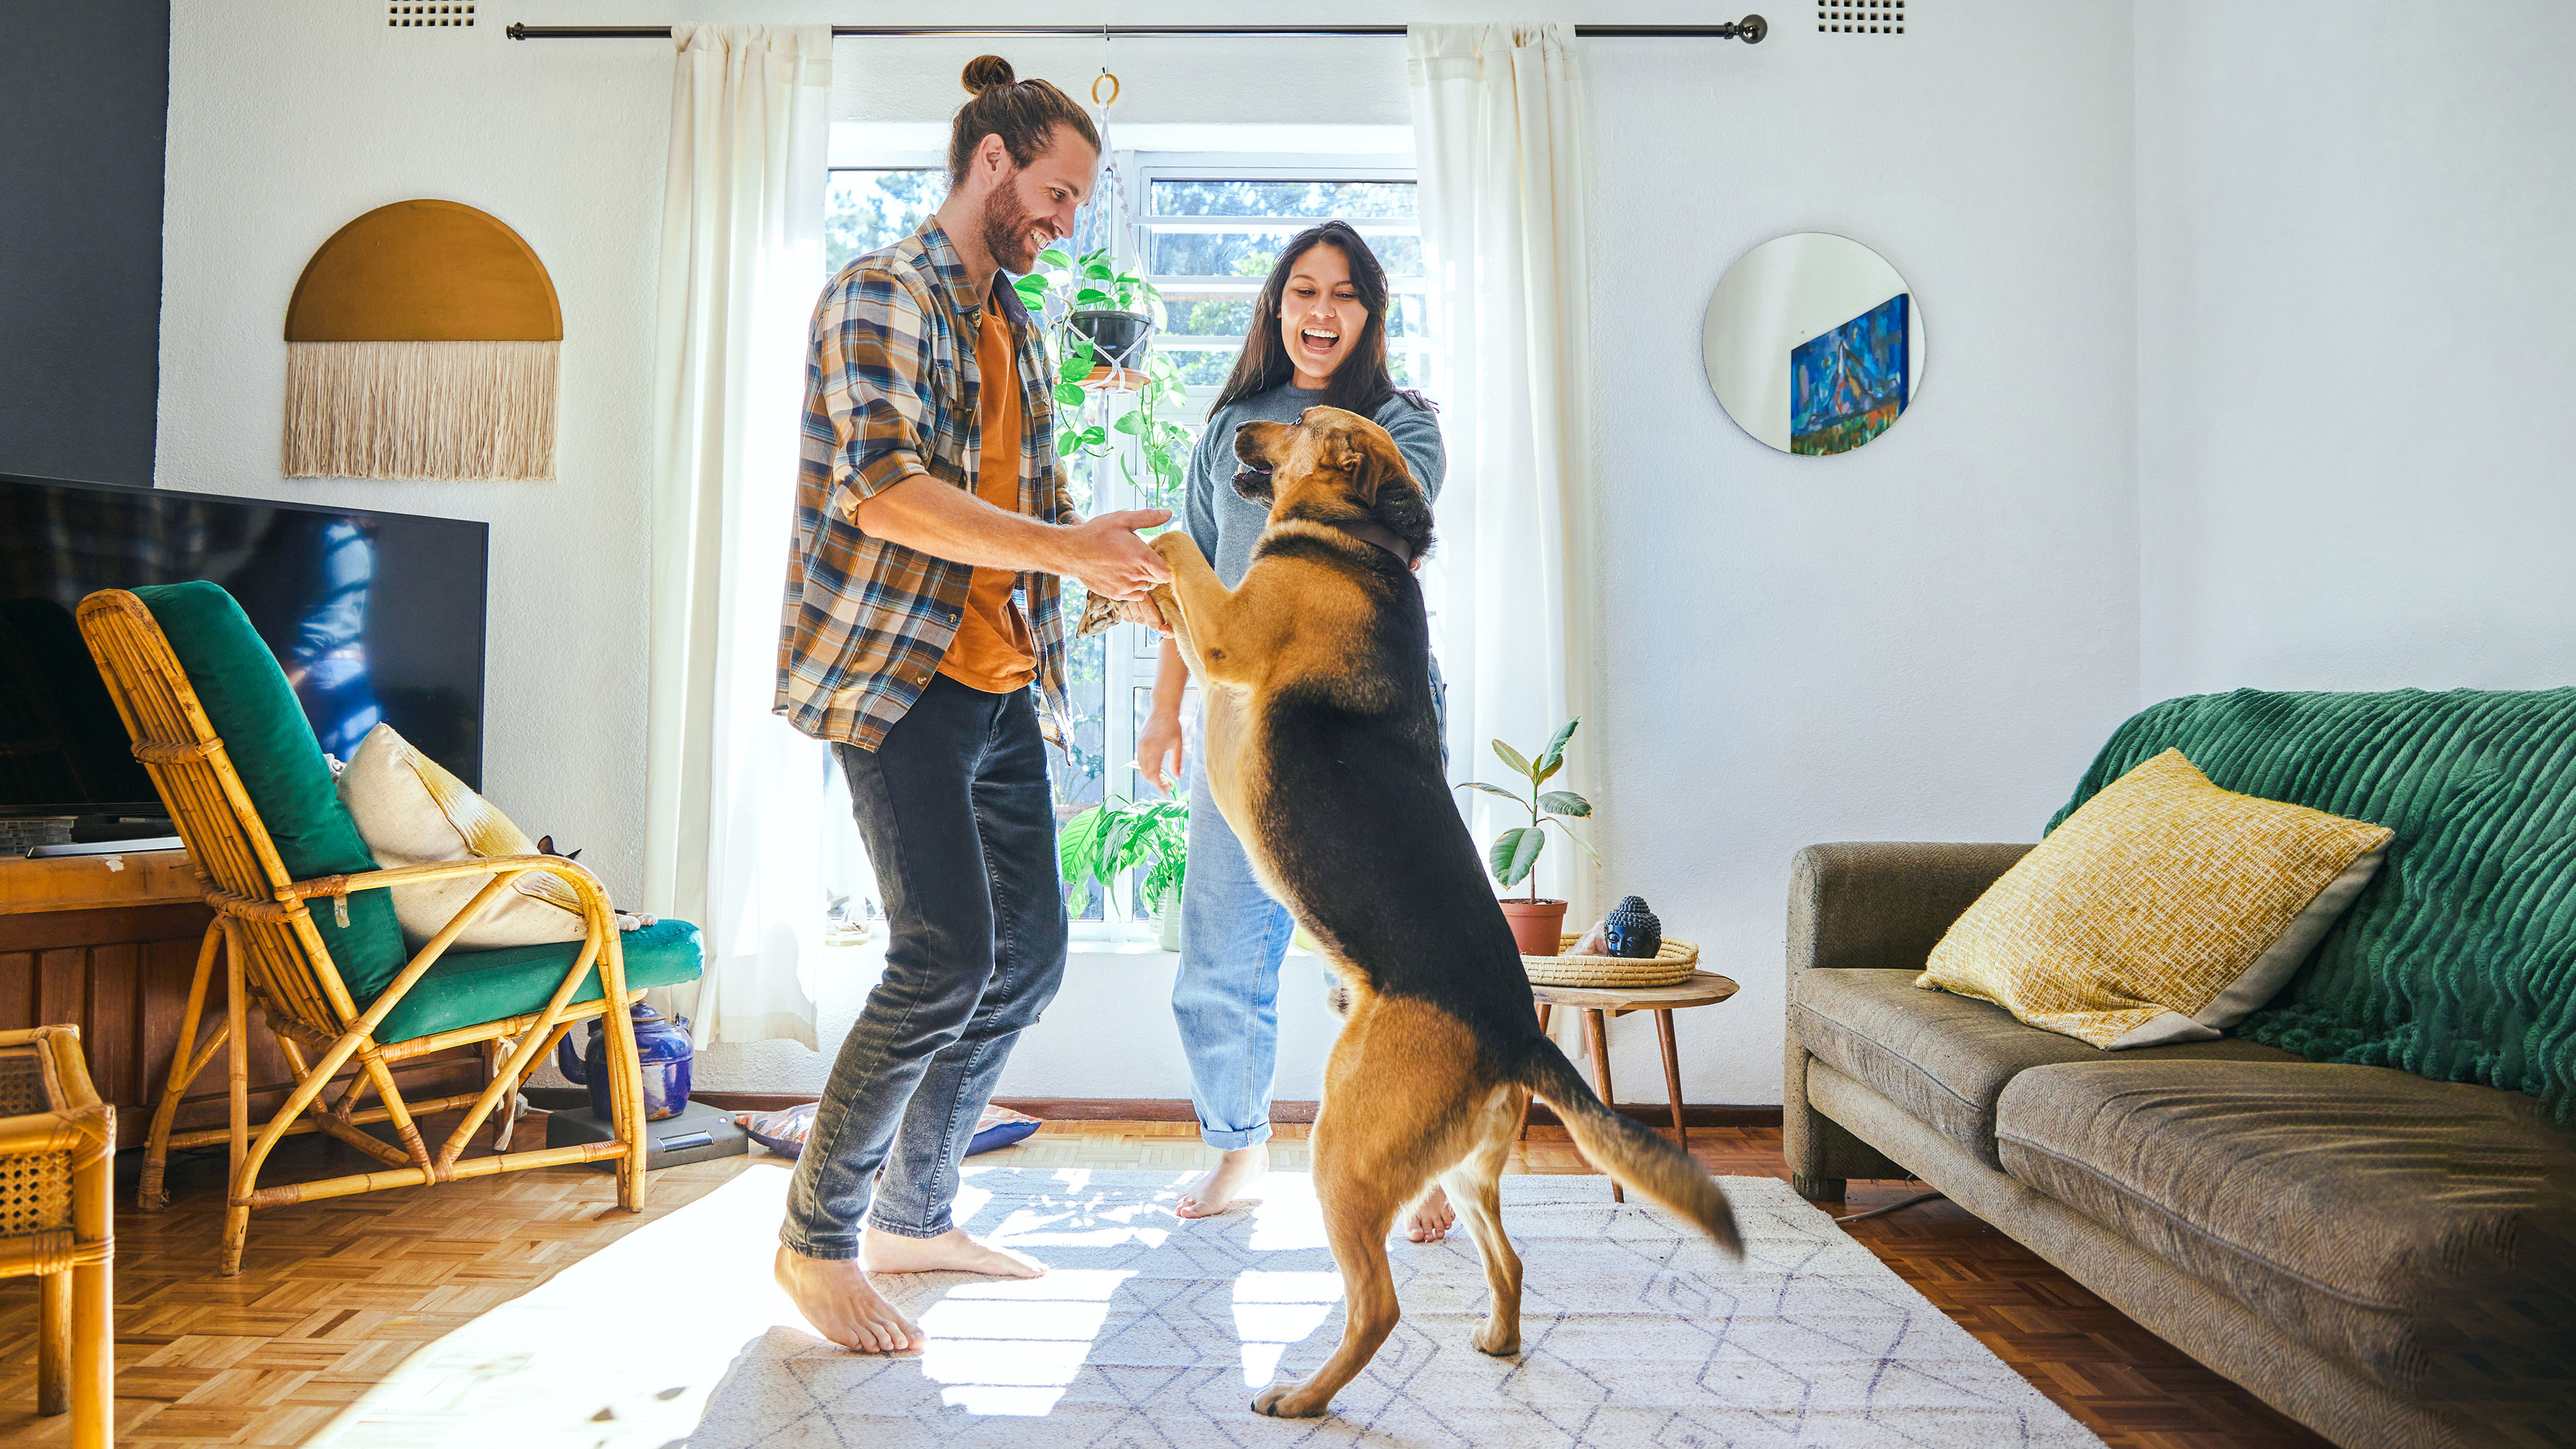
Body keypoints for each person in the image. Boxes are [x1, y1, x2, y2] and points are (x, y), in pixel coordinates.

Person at [771, 55, 1172, 1356]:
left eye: (1077, 203)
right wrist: (1066, 551)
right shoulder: (879, 295)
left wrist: (1129, 582)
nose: (1065, 222)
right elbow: (885, 491)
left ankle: (915, 1211)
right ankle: (816, 1238)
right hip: (899, 679)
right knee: (941, 951)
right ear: (990, 162)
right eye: (1055, 193)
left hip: (1000, 684)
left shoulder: (1022, 330)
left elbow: (1034, 524)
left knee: (1031, 954)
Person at [1134, 221, 1457, 1240]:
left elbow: (1378, 544)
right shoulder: (1232, 422)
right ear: (1278, 307)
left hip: (1363, 724)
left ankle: (1411, 1153)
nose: (1322, 312)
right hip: (1242, 724)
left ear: (1370, 313)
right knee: (1222, 949)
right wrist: (1161, 710)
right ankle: (1239, 1148)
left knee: (1374, 955)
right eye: (1303, 291)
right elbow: (1189, 582)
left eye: (1344, 294)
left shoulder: (1402, 428)